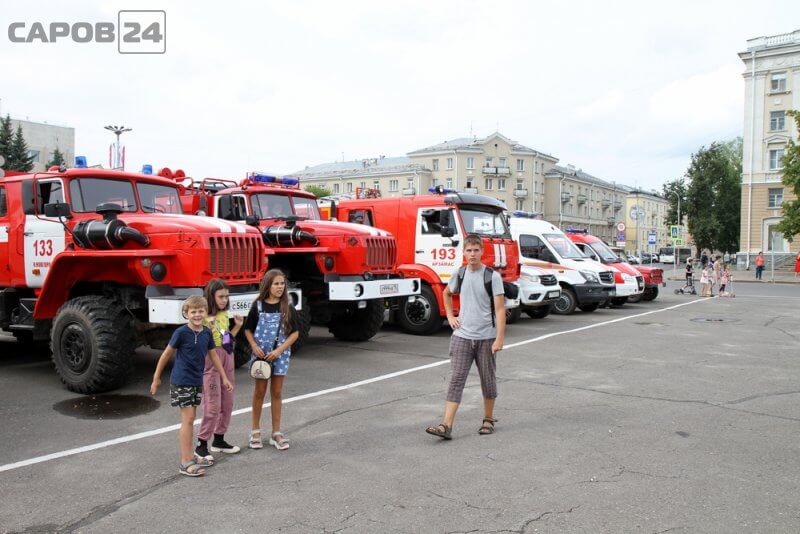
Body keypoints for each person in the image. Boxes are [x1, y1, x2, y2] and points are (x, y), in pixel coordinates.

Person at [426, 234, 506, 440]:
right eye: (468, 250)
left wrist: (499, 339)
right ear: (463, 252)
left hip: (486, 338)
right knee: (456, 380)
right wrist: (450, 316)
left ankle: (488, 419)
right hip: (462, 336)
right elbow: (446, 293)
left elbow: (499, 309)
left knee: (487, 380)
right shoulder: (459, 273)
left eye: (476, 250)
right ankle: (446, 425)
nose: (472, 254)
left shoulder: (492, 277)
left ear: (482, 252)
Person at [150, 295, 233, 477]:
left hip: (197, 381)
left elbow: (213, 356)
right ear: (186, 314)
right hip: (181, 380)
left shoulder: (206, 333)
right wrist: (156, 378)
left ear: (205, 312)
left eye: (200, 311)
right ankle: (185, 462)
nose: (197, 315)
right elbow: (166, 355)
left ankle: (192, 456)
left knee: (192, 417)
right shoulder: (181, 332)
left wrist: (224, 377)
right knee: (188, 419)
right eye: (193, 311)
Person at [244, 269, 300, 451]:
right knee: (259, 392)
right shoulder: (258, 306)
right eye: (276, 283)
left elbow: (295, 333)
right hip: (261, 357)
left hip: (280, 356)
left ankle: (276, 433)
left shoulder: (287, 307)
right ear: (268, 285)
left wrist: (279, 351)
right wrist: (254, 346)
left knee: (276, 392)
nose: (280, 287)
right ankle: (255, 431)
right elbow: (248, 329)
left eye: (282, 283)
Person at [195, 279, 244, 461]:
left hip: (227, 356)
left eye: (226, 296)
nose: (224, 300)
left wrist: (237, 326)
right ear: (211, 296)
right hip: (211, 359)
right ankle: (201, 444)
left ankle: (219, 439)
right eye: (220, 296)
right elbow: (198, 342)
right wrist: (207, 327)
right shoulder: (202, 316)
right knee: (212, 404)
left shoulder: (223, 315)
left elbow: (226, 341)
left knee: (227, 402)